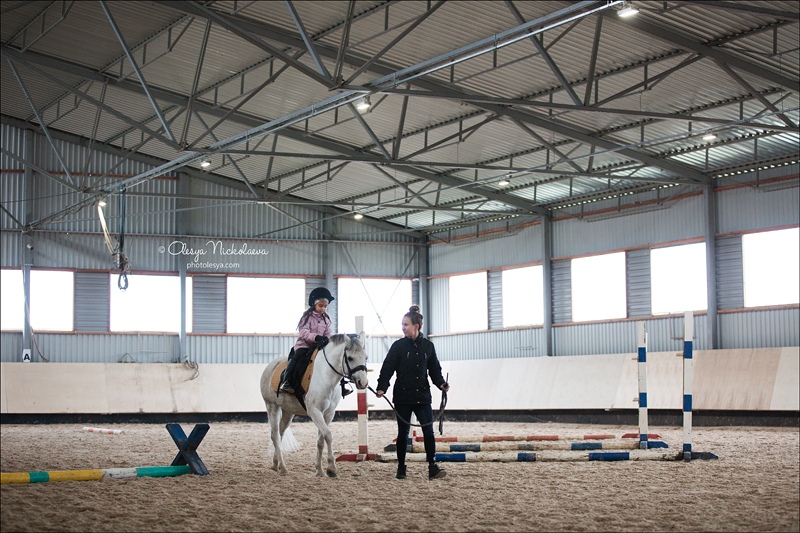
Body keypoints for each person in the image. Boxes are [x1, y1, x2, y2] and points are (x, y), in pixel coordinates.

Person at [375, 305, 450, 480]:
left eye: (406, 324)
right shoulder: (398, 346)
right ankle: (401, 468)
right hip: (403, 397)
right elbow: (388, 368)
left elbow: (434, 369)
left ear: (416, 326)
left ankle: (432, 466)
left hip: (422, 396)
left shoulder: (428, 346)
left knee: (428, 432)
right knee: (403, 433)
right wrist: (382, 387)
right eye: (402, 324)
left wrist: (441, 383)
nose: (403, 327)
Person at [280, 287, 351, 397]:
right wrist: (316, 337)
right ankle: (287, 381)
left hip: (320, 345)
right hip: (305, 345)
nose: (323, 308)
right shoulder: (307, 317)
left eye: (325, 306)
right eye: (320, 306)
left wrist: (327, 339)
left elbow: (328, 331)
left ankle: (342, 386)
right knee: (297, 357)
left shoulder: (327, 318)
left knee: (335, 358)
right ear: (314, 304)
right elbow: (303, 332)